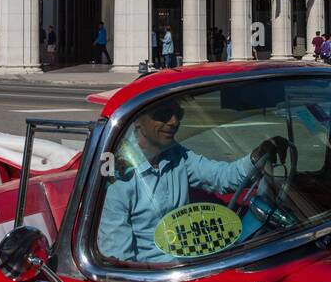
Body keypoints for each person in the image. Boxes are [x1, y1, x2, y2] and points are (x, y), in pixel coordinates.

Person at [97, 96, 291, 262]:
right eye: (163, 113)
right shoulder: (118, 177)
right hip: (158, 278)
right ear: (138, 120)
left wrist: (258, 155)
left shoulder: (176, 154)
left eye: (178, 114)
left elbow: (222, 177)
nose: (173, 122)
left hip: (194, 260)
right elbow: (119, 260)